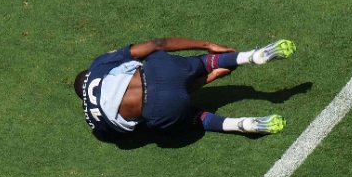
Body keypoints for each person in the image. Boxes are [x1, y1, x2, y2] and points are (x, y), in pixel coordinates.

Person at [75, 37, 296, 137]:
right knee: (200, 63)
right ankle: (251, 56)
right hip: (158, 73)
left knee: (190, 118)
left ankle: (240, 124)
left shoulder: (95, 124)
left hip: (161, 109)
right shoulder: (98, 66)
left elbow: (143, 124)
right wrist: (207, 45)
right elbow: (156, 45)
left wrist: (209, 80)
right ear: (88, 75)